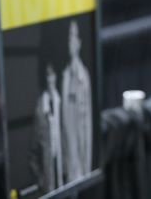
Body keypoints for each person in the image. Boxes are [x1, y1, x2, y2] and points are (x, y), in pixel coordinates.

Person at [60, 20, 92, 186]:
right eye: (69, 36)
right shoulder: (65, 77)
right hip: (67, 168)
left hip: (80, 165)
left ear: (79, 42)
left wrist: (86, 168)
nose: (71, 41)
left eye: (74, 36)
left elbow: (87, 125)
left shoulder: (83, 76)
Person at [31, 62, 62, 192]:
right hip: (48, 171)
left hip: (64, 168)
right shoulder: (39, 107)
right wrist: (40, 177)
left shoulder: (61, 100)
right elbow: (32, 151)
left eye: (52, 74)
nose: (50, 79)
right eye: (47, 75)